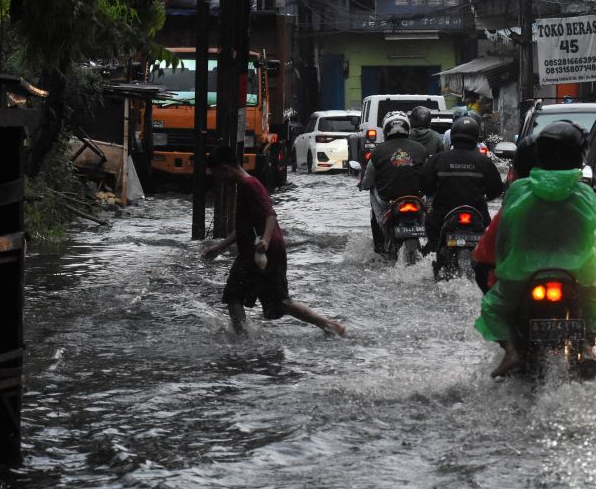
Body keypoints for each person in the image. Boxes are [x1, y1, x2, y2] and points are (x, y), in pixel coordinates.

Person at [474, 121, 596, 377]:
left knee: (493, 306)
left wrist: (499, 265)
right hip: (577, 274)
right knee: (595, 300)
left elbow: (501, 236)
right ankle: (588, 347)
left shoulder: (519, 190)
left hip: (521, 273)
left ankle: (511, 351)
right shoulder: (585, 194)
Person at [201, 145, 345, 335]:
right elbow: (242, 229)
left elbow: (270, 215)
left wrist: (266, 241)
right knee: (255, 298)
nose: (217, 180)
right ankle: (328, 325)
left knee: (249, 298)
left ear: (225, 169)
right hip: (254, 253)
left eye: (216, 174)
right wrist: (218, 248)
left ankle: (241, 340)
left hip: (265, 251)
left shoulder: (249, 185)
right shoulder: (244, 186)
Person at [419, 115, 503, 253]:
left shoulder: (439, 159)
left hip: (442, 215)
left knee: (431, 237)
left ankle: (434, 257)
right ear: (476, 136)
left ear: (453, 135)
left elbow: (425, 185)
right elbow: (496, 190)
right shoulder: (484, 161)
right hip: (477, 215)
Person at [359, 111, 428, 252]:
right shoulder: (421, 149)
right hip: (417, 199)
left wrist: (363, 185)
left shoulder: (377, 151)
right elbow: (428, 175)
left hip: (388, 202)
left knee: (372, 190)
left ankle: (379, 243)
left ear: (386, 130)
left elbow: (367, 181)